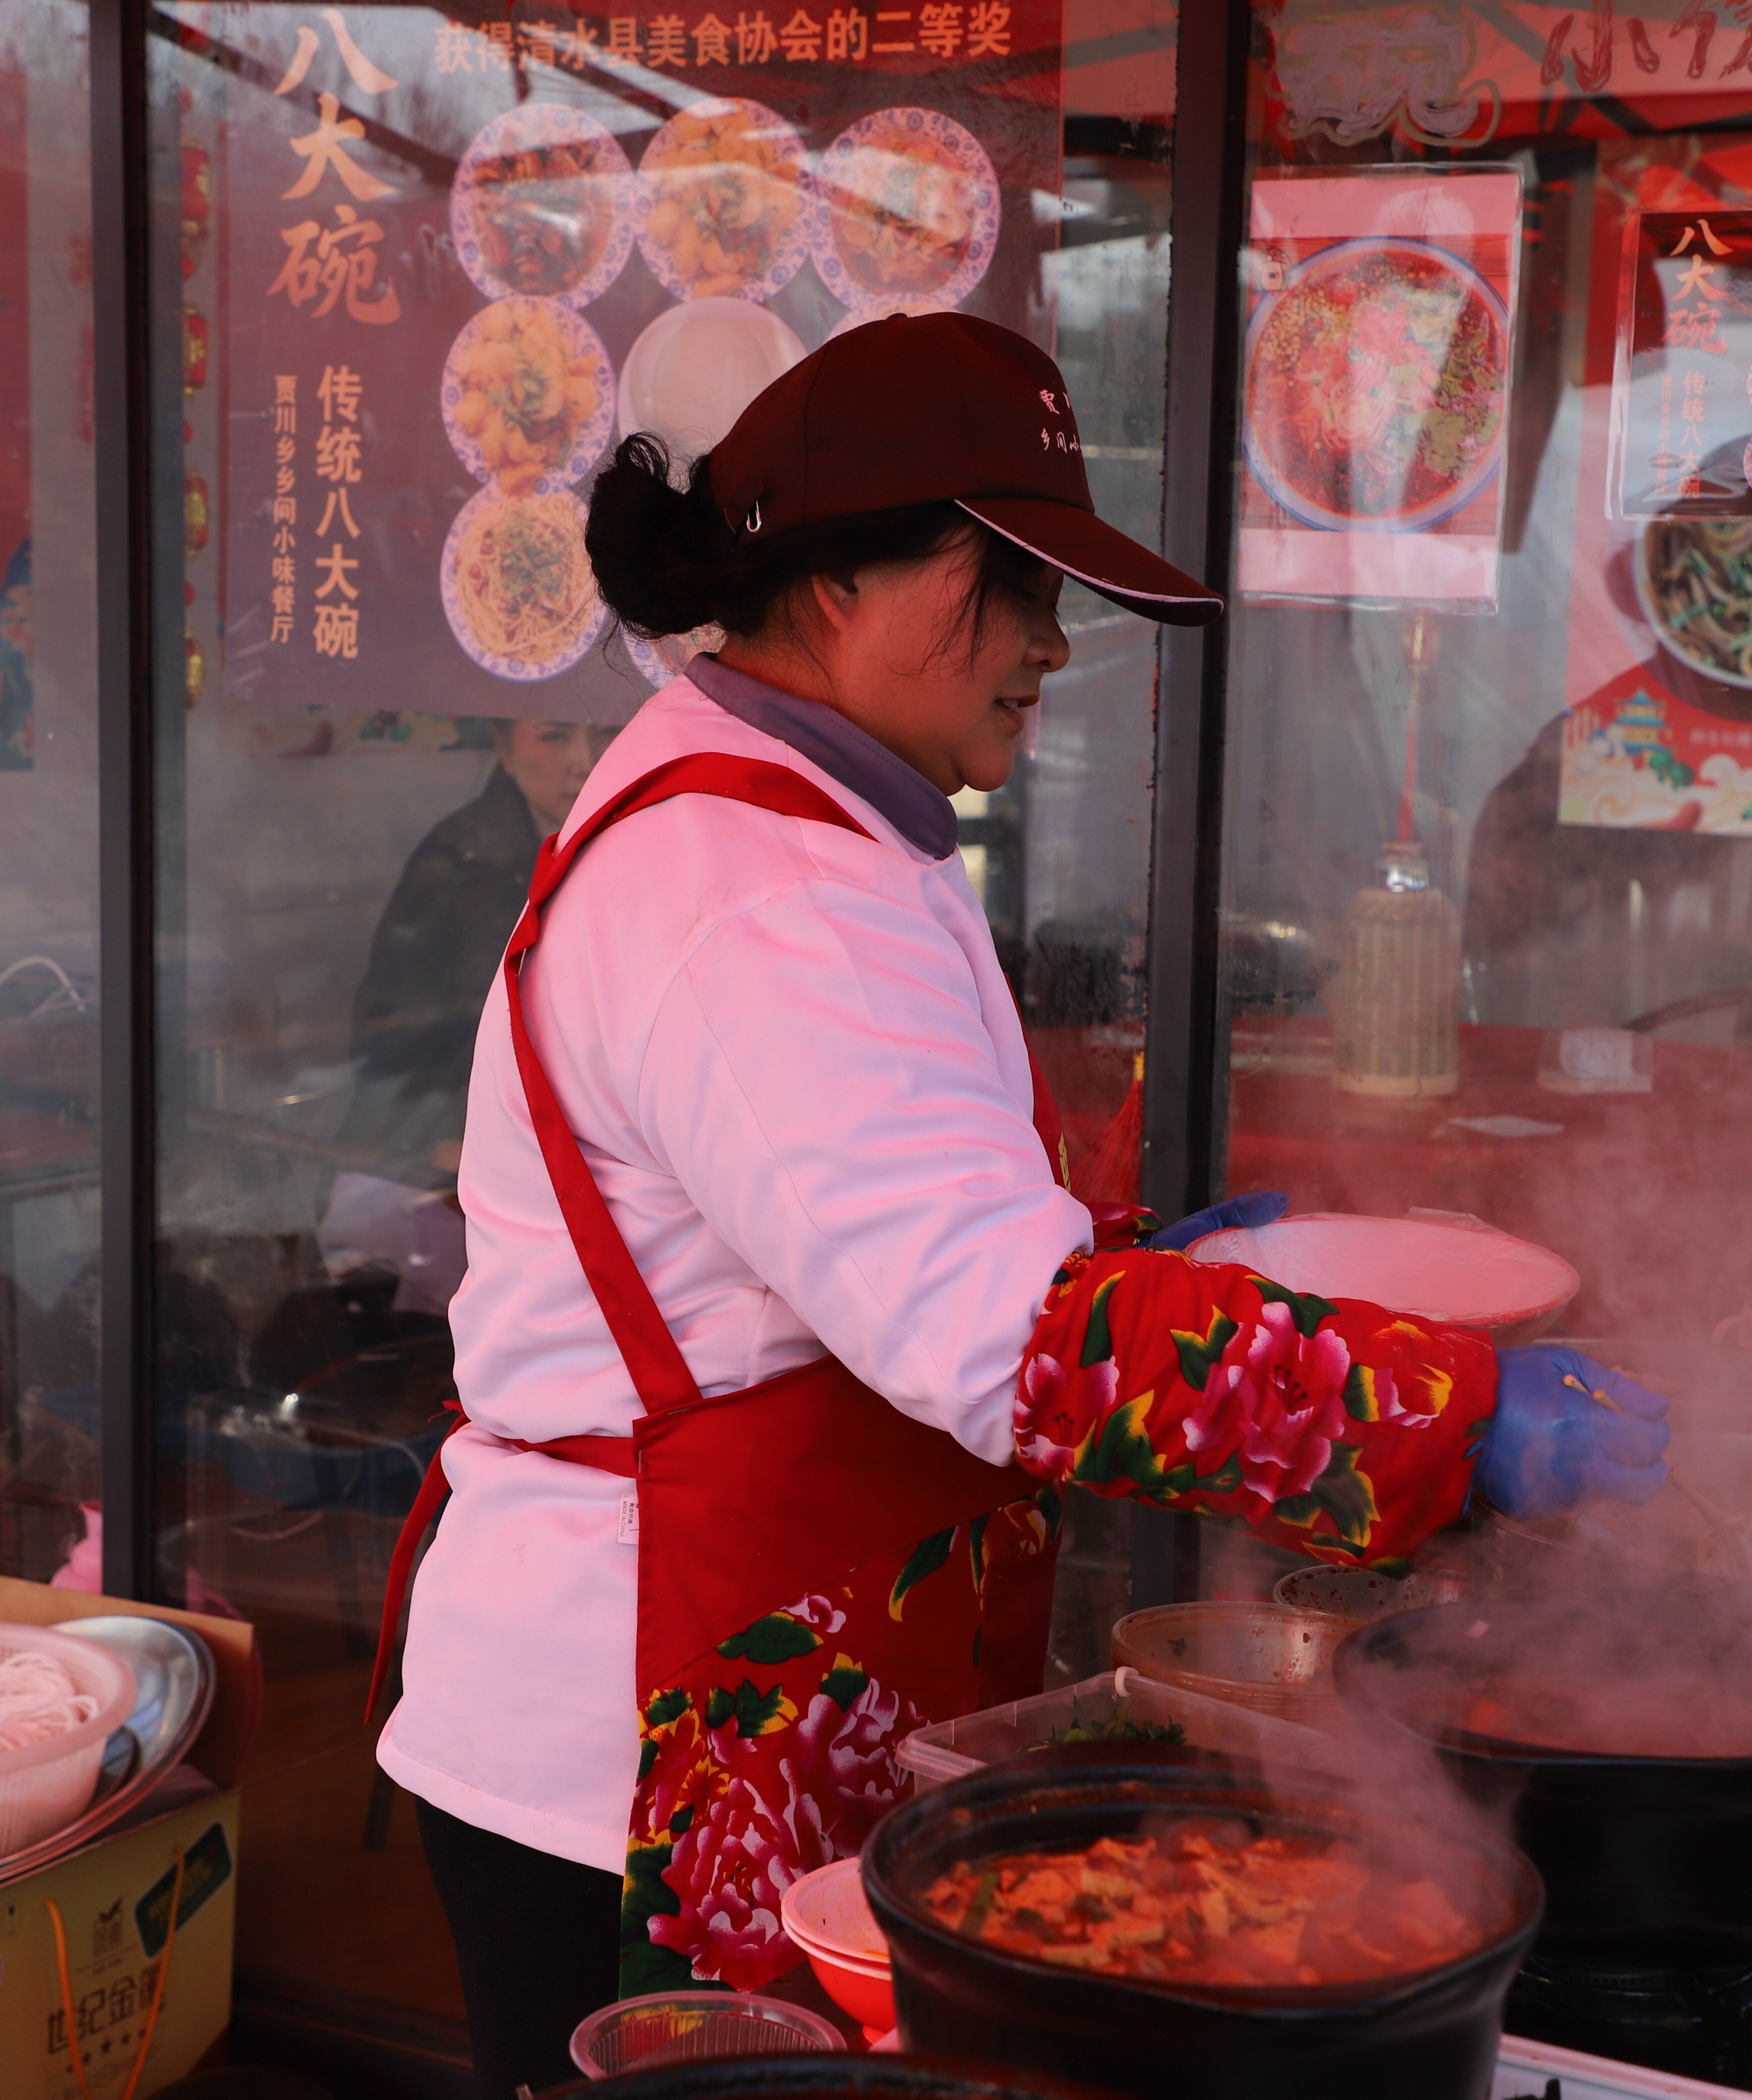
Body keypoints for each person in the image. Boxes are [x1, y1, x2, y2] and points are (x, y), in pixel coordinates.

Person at [368, 313, 1673, 2098]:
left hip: (753, 1674)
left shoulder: (813, 823)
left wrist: (1123, 1268)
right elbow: (997, 1340)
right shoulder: (756, 887)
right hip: (628, 1746)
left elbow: (869, 1258)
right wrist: (1443, 1417)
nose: (1053, 644)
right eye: (1012, 585)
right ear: (836, 585)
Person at [320, 719, 607, 1317]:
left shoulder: (633, 840)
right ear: (503, 747)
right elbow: (396, 1028)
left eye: (604, 734)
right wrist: (447, 1132)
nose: (583, 759)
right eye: (554, 737)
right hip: (459, 1148)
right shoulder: (461, 856)